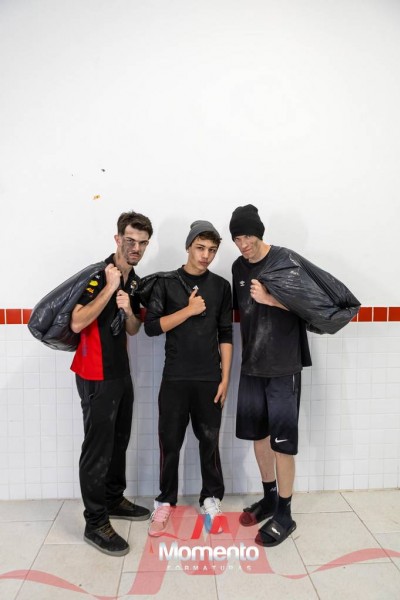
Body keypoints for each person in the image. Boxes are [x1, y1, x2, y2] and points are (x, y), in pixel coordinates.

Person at [70, 211, 153, 556]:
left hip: (120, 372)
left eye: (142, 243)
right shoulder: (97, 275)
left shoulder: (135, 282)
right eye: (130, 240)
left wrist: (129, 310)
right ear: (118, 239)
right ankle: (95, 523)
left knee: (119, 441)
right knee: (97, 449)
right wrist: (109, 288)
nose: (136, 248)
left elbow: (132, 329)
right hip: (94, 373)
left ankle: (113, 498)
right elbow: (77, 322)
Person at [229, 204, 312, 547]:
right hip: (252, 365)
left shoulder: (284, 261)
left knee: (282, 444)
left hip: (283, 367)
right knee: (258, 436)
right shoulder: (238, 267)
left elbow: (309, 307)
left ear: (259, 233)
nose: (242, 244)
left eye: (247, 236)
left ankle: (285, 514)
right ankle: (269, 498)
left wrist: (270, 299)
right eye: (237, 238)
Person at [144, 220, 233, 536]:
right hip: (175, 379)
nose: (206, 255)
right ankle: (164, 502)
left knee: (209, 443)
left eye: (212, 250)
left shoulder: (221, 287)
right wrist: (189, 310)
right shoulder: (167, 283)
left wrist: (225, 379)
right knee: (170, 444)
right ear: (188, 247)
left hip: (209, 379)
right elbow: (151, 327)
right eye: (200, 248)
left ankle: (211, 499)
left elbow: (225, 334)